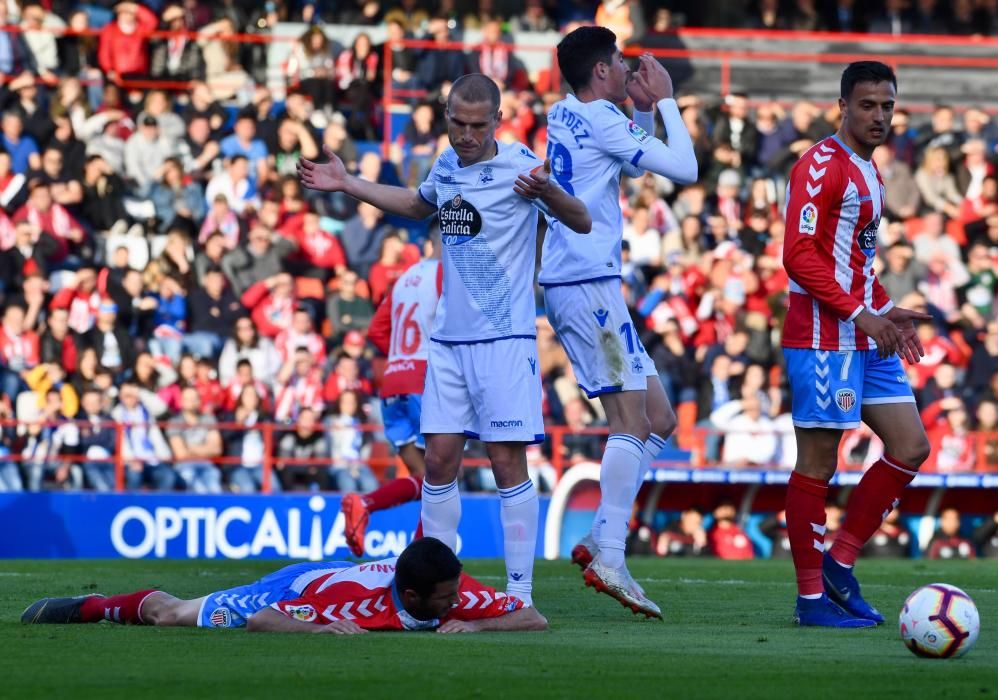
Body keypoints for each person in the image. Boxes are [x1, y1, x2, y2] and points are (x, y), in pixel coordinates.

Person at [299, 73, 591, 607]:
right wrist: (346, 184)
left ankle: (520, 595)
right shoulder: (447, 163)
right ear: (447, 115)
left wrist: (549, 190)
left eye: (478, 125)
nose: (466, 135)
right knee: (437, 461)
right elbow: (416, 204)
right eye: (457, 122)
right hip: (448, 343)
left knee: (506, 464)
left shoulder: (523, 164)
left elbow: (582, 219)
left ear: (498, 121)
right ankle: (432, 593)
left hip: (504, 341)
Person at [539, 26, 697, 618]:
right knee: (629, 420)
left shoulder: (565, 112)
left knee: (659, 417)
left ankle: (604, 533)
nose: (629, 68)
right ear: (601, 70)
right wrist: (668, 101)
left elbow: (629, 169)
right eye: (621, 63)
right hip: (586, 286)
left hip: (585, 283)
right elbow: (684, 169)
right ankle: (611, 550)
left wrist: (641, 111)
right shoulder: (602, 123)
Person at [782, 61, 932, 628]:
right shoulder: (820, 166)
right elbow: (798, 255)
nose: (879, 116)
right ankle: (811, 600)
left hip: (865, 335)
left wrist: (887, 310)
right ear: (842, 105)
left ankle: (840, 562)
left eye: (888, 105)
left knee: (911, 446)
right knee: (818, 463)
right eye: (868, 105)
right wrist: (864, 315)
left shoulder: (871, 172)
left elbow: (856, 261)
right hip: (822, 339)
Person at [21, 536, 547, 633]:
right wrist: (318, 632)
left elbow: (532, 616)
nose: (456, 604)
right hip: (299, 587)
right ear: (410, 597)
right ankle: (94, 607)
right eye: (445, 601)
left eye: (456, 595)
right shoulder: (347, 605)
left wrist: (475, 629)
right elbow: (261, 620)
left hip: (345, 575)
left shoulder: (454, 587)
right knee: (173, 615)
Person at [340, 236, 441, 557]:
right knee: (445, 480)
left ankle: (365, 503)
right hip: (427, 380)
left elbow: (376, 330)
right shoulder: (449, 274)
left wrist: (401, 356)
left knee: (425, 478)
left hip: (394, 380)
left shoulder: (403, 281)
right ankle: (422, 558)